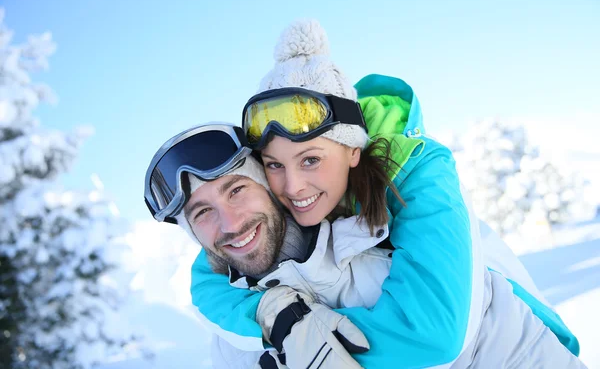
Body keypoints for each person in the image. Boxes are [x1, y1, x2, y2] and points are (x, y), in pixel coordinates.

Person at [144, 123, 584, 368]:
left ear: (271, 182)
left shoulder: (382, 241)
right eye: (201, 213)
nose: (230, 223)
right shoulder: (231, 342)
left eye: (237, 190)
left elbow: (460, 339)